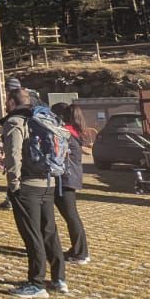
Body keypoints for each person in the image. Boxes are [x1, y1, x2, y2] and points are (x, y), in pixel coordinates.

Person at [2, 88, 68, 298]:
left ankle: (36, 283)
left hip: (28, 185)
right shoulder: (42, 118)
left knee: (32, 235)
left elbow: (13, 155)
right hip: (49, 181)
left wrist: (14, 185)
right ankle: (59, 278)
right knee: (50, 231)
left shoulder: (16, 122)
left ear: (11, 102)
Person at [51, 101, 90, 265]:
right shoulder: (73, 132)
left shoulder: (64, 133)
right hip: (71, 177)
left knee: (71, 216)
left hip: (66, 178)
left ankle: (81, 252)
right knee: (71, 215)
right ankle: (79, 250)